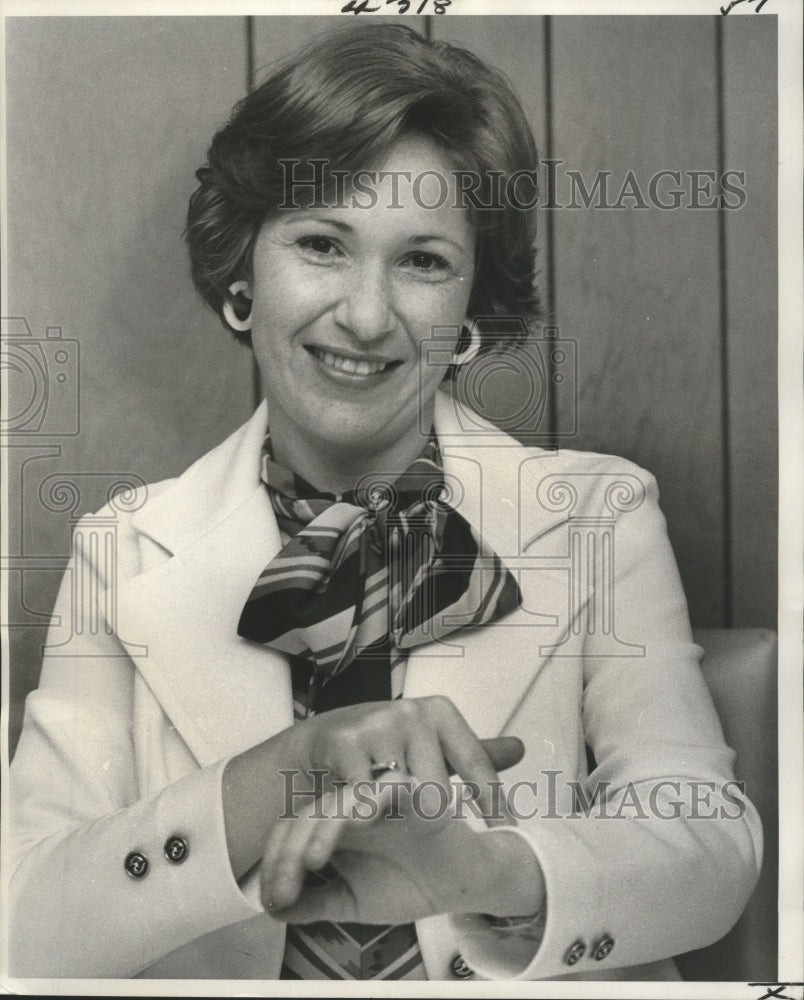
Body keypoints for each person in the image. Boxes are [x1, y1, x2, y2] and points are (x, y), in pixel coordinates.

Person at [8, 23, 761, 982]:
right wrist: (268, 781)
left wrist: (498, 872)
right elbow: (21, 922)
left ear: (472, 310)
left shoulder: (598, 517)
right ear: (243, 275)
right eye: (322, 243)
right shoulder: (121, 547)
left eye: (424, 262)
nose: (367, 315)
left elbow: (711, 846)